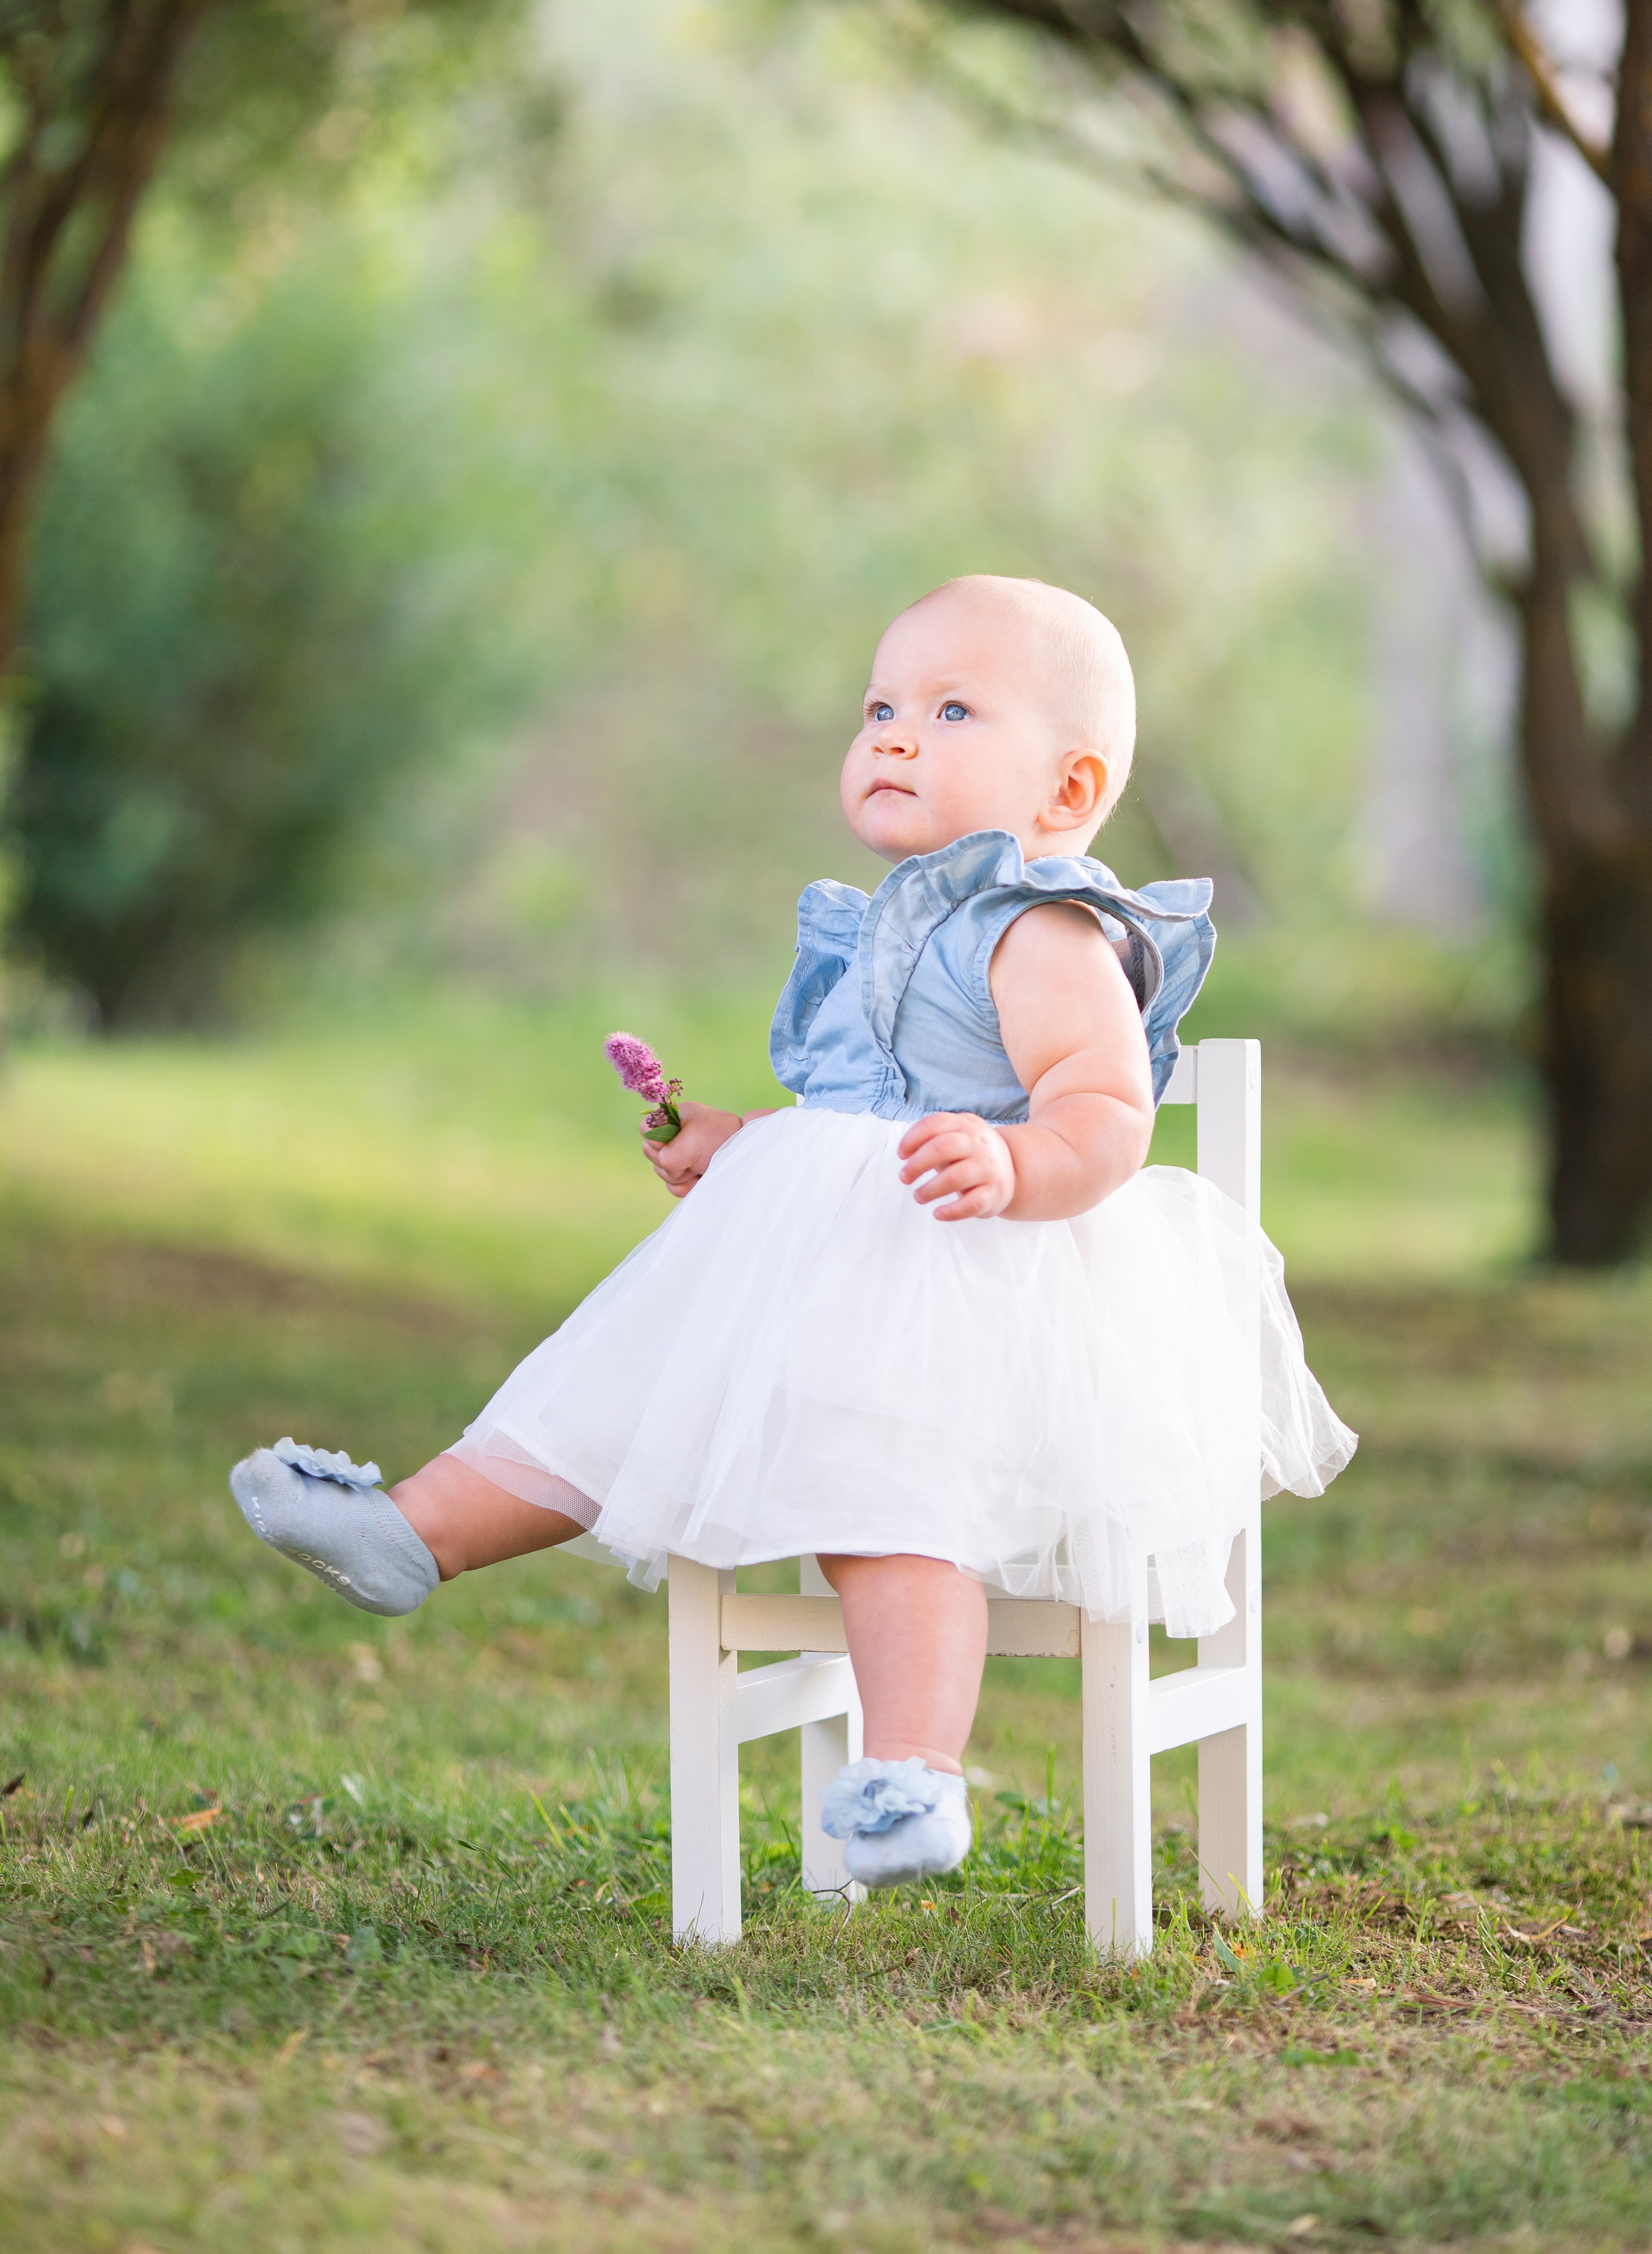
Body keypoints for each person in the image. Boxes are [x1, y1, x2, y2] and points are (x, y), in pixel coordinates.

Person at [230, 574, 1354, 1889]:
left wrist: (1014, 1153)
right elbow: (852, 1110)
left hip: (973, 1301)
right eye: (878, 705)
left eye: (948, 709)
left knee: (886, 1502)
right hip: (824, 1280)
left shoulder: (1042, 930)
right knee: (617, 1373)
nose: (890, 733)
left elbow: (1108, 1113)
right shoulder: (878, 928)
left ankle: (913, 1771)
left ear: (1063, 792)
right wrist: (738, 1137)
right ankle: (416, 1531)